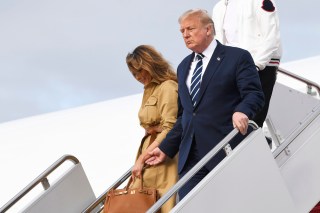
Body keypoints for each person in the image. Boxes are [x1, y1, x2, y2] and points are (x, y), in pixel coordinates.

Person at [145, 9, 265, 200]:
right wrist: (165, 147)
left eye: (190, 29)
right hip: (191, 158)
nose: (185, 35)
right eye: (182, 31)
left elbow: (254, 94)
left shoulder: (237, 57)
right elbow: (185, 116)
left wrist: (242, 111)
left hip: (224, 150)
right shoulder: (184, 67)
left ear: (208, 29)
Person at [212, 0, 282, 146]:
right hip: (231, 68)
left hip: (260, 65)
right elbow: (219, 41)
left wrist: (256, 65)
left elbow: (271, 37)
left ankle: (259, 149)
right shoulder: (219, 7)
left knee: (251, 119)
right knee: (228, 119)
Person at [125, 45, 179, 212]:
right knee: (141, 203)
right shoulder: (149, 90)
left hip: (162, 156)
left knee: (161, 204)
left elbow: (170, 126)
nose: (138, 76)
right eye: (134, 73)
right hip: (148, 153)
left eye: (140, 70)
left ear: (151, 64)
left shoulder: (168, 86)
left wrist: (142, 159)